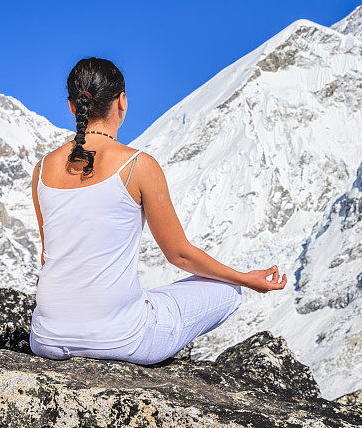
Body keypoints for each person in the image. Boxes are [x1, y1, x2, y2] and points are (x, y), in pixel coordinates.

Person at [29, 57, 287, 364]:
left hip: (46, 338)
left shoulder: (42, 169)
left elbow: (48, 258)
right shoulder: (137, 165)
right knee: (229, 292)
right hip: (122, 339)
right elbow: (179, 254)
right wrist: (245, 279)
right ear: (122, 101)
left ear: (72, 107)